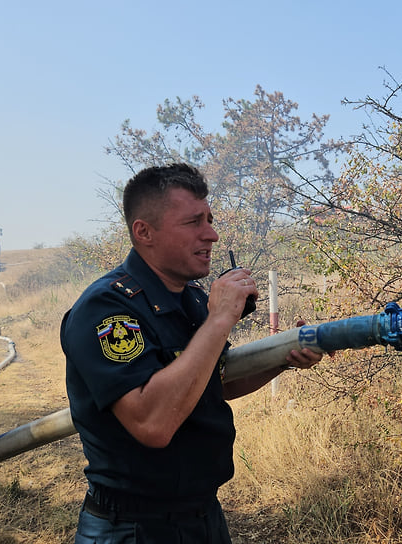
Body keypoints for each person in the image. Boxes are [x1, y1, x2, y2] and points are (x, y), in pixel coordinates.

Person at [61, 163, 325, 543]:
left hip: (202, 516)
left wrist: (283, 356)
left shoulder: (190, 300)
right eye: (193, 222)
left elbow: (213, 382)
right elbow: (152, 423)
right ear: (144, 232)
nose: (212, 235)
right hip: (132, 527)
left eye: (210, 220)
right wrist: (219, 319)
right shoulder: (107, 310)